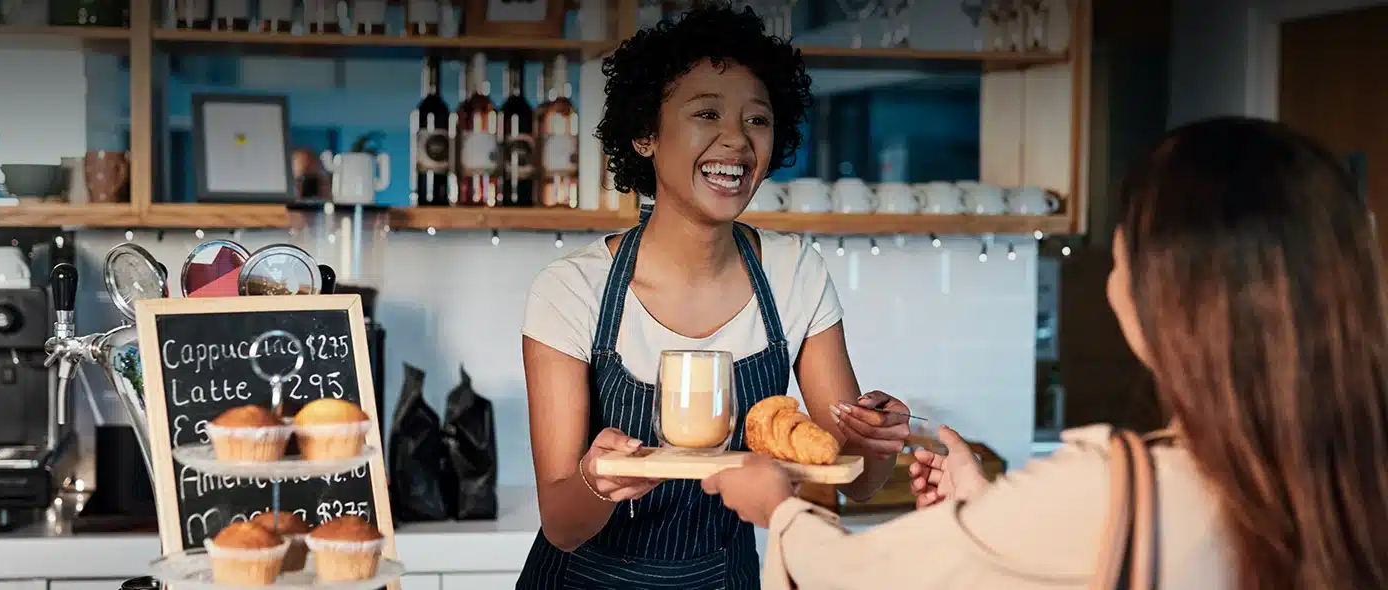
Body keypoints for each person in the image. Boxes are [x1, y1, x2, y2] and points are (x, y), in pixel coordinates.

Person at [703, 116, 1388, 590]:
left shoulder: (1115, 484)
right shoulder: (1355, 479)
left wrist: (780, 511)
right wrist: (984, 509)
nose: (1115, 276)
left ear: (1171, 299)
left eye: (1125, 255)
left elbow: (866, 576)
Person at [515, 4, 911, 588]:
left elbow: (850, 478)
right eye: (706, 113)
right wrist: (597, 483)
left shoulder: (793, 272)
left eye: (758, 120)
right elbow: (562, 524)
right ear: (645, 134)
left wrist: (879, 443)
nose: (737, 141)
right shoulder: (573, 290)